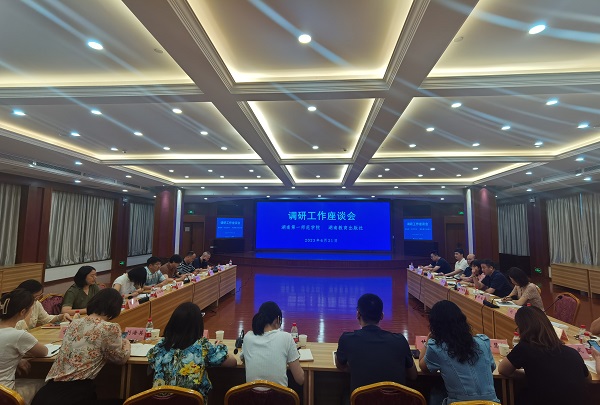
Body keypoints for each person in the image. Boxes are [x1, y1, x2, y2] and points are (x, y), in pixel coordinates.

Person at [31, 288, 130, 405]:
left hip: (47, 393)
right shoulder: (109, 327)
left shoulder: (74, 323)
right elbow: (120, 358)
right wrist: (126, 343)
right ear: (115, 308)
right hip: (74, 396)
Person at [498, 306, 589, 405]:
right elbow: (588, 378)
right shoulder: (573, 353)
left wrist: (528, 375)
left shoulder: (525, 348)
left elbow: (503, 369)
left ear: (523, 329)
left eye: (518, 327)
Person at [147, 302, 236, 402]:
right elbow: (232, 362)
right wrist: (220, 347)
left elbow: (150, 362)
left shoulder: (160, 346)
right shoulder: (202, 346)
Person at [419, 300, 499, 404]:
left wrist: (428, 340)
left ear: (435, 326)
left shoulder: (437, 348)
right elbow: (492, 368)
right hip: (492, 403)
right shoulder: (483, 342)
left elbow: (423, 366)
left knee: (435, 392)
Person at [335, 293, 417, 392]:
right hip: (395, 400)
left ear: (358, 314)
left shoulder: (347, 339)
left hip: (361, 399)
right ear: (382, 316)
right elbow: (413, 376)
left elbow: (340, 365)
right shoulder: (400, 341)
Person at [0, 289, 49, 403]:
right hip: (6, 395)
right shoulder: (19, 335)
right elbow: (44, 352)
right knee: (45, 383)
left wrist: (17, 359)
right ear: (23, 312)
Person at [242, 301, 304, 387]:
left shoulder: (247, 337)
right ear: (277, 320)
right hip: (280, 395)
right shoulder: (286, 337)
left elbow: (244, 360)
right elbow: (300, 379)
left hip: (251, 395)